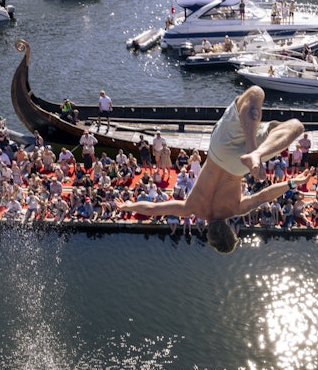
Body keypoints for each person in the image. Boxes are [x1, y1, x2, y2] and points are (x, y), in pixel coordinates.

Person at [117, 86, 306, 253]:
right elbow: (153, 209)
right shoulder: (192, 208)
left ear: (230, 230)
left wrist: (292, 183)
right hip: (219, 155)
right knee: (256, 98)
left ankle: (256, 150)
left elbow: (264, 196)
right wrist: (128, 206)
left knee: (292, 124)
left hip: (238, 166)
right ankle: (253, 148)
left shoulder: (237, 209)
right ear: (210, 236)